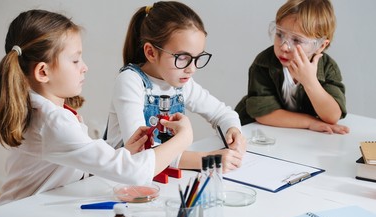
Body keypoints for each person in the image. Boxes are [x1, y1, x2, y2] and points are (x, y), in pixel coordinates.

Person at [0, 9, 193, 206]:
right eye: (75, 60)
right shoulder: (52, 121)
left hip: (32, 211)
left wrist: (122, 153)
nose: (85, 67)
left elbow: (73, 165)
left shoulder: (44, 110)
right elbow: (135, 173)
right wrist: (183, 138)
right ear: (43, 72)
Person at [105, 1, 246, 173]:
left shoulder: (181, 83)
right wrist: (207, 160)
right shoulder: (130, 81)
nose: (191, 68)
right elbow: (140, 152)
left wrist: (234, 132)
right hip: (122, 178)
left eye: (197, 58)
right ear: (151, 52)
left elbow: (222, 114)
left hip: (161, 175)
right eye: (182, 57)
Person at [235, 0, 350, 134]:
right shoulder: (264, 63)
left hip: (295, 136)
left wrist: (310, 81)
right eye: (279, 34)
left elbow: (332, 116)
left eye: (296, 40)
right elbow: (263, 114)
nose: (284, 46)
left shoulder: (328, 68)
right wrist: (310, 122)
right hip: (253, 132)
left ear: (320, 46)